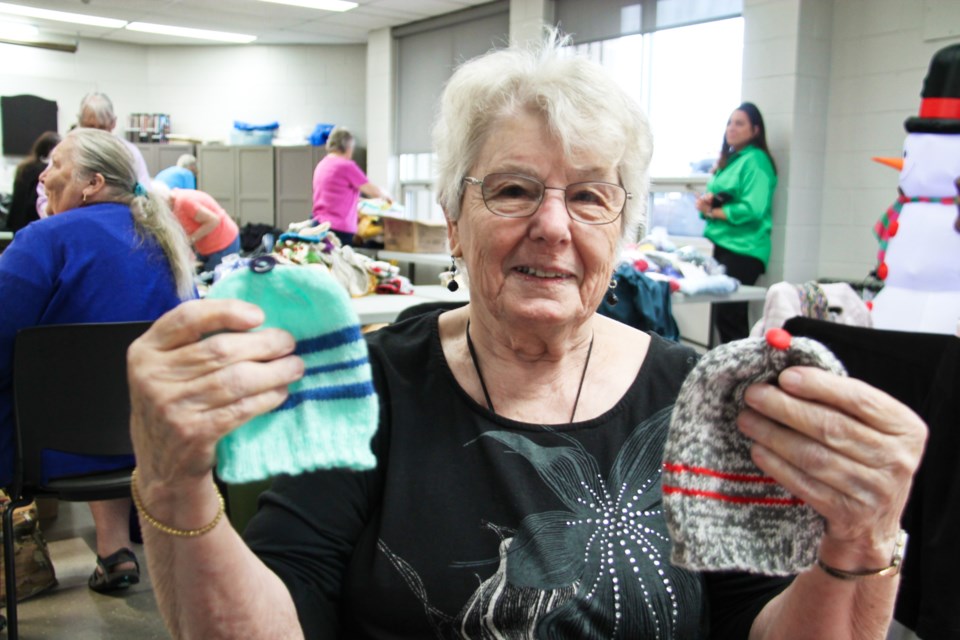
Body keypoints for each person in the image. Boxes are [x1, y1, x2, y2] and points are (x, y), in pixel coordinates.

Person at [127, 35, 926, 638]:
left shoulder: (701, 399)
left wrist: (862, 539)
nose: (551, 226)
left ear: (623, 229)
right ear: (453, 221)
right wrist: (171, 484)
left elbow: (763, 624)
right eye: (512, 189)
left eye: (588, 197)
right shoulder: (366, 391)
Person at [0, 128, 195, 594]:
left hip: (46, 449)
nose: (43, 175)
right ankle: (113, 550)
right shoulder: (169, 246)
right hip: (154, 443)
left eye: (56, 165)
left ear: (91, 183)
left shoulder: (42, 240)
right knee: (106, 394)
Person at [695, 102, 778, 344]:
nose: (731, 128)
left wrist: (713, 211)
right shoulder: (730, 161)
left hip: (743, 249)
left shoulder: (756, 160)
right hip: (722, 245)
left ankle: (740, 375)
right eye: (729, 122)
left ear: (755, 130)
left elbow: (753, 208)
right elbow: (716, 204)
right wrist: (708, 207)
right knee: (722, 316)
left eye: (739, 123)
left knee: (730, 317)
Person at [35, 92, 152, 218]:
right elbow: (44, 195)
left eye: (102, 128)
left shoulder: (129, 152)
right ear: (80, 122)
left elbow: (144, 193)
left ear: (113, 123)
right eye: (90, 127)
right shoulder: (66, 150)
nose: (96, 134)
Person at [311, 126, 391, 247]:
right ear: (348, 147)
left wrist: (362, 201)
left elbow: (336, 196)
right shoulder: (345, 166)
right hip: (339, 229)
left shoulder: (322, 165)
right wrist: (386, 196)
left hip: (319, 226)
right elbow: (371, 189)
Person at [154, 182, 240, 271]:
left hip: (223, 243)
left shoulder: (184, 202)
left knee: (214, 279)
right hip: (205, 247)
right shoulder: (173, 202)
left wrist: (190, 240)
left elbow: (214, 221)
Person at [7, 131, 60, 233]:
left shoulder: (24, 167)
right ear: (51, 149)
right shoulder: (43, 171)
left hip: (17, 220)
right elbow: (35, 201)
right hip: (30, 222)